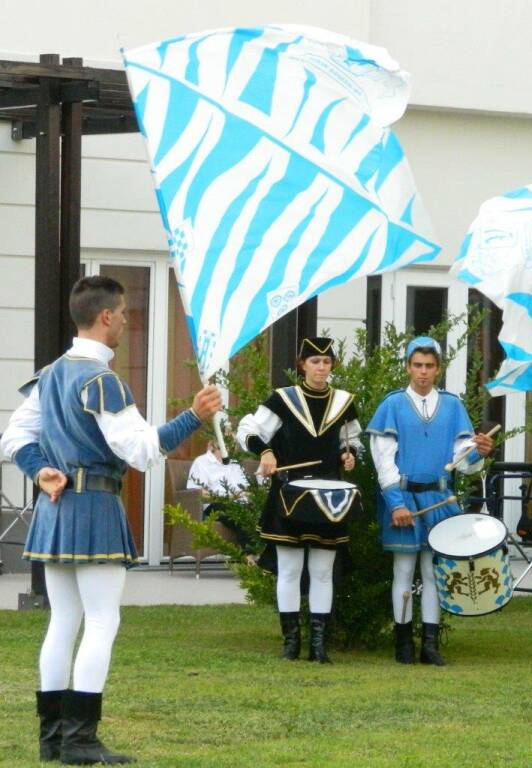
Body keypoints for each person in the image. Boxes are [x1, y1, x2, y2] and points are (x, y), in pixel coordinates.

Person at [0, 276, 222, 764]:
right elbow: (141, 451)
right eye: (124, 314)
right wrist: (194, 416)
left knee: (63, 621)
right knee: (101, 619)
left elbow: (13, 438)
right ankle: (79, 740)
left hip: (56, 508)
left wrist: (41, 471)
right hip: (95, 506)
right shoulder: (101, 380)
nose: (126, 321)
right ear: (105, 316)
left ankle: (53, 739)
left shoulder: (52, 373)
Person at [367, 336, 493, 666]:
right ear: (408, 367)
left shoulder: (452, 406)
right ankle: (403, 642)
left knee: (435, 572)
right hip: (404, 498)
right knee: (404, 571)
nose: (423, 372)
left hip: (441, 499)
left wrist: (478, 452)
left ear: (438, 369)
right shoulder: (392, 405)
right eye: (417, 365)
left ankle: (430, 643)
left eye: (429, 366)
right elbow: (383, 461)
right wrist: (396, 503)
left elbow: (463, 462)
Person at [236, 337, 362, 663]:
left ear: (332, 365)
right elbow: (248, 429)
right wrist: (264, 451)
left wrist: (349, 456)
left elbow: (352, 441)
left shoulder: (344, 402)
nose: (321, 368)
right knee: (289, 570)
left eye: (326, 362)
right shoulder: (282, 400)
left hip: (329, 497)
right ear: (302, 365)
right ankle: (291, 643)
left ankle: (319, 647)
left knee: (322, 571)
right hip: (289, 493)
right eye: (314, 361)